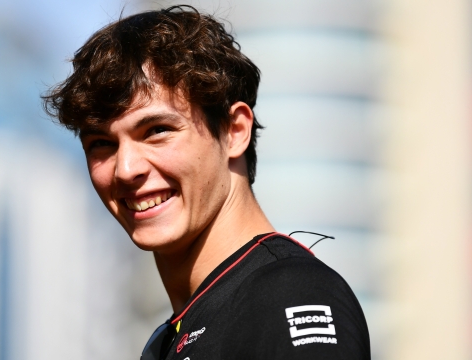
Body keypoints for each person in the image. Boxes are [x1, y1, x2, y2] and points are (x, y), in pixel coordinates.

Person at [43, 5, 370, 359]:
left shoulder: (292, 294)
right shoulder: (169, 338)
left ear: (234, 132)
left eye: (156, 131)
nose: (125, 169)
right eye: (101, 144)